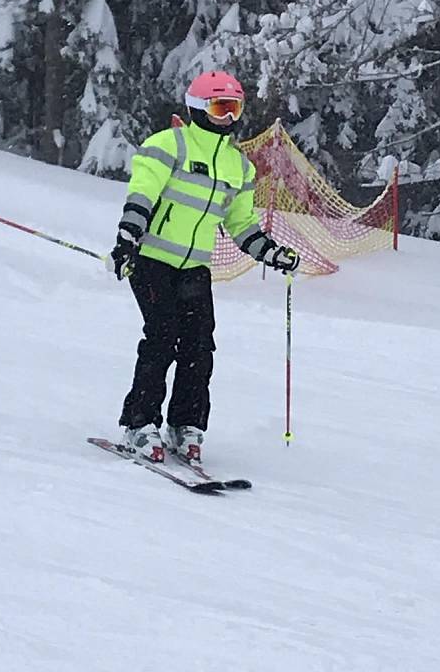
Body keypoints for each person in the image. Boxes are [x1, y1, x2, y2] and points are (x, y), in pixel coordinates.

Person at [107, 71, 300, 464]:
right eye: (220, 108)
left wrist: (270, 252)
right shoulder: (168, 145)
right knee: (162, 337)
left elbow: (241, 223)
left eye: (235, 109)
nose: (228, 118)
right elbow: (142, 192)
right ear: (198, 108)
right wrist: (128, 236)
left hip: (194, 266)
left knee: (198, 345)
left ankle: (185, 425)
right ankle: (140, 423)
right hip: (152, 259)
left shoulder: (239, 167)